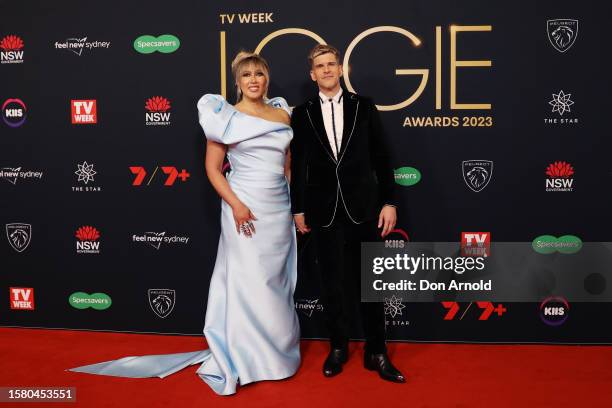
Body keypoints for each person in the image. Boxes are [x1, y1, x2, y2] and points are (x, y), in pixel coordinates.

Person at [68, 51, 301, 395]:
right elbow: (212, 168)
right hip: (242, 206)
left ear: (267, 79)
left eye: (260, 74)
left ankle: (278, 356)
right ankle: (249, 357)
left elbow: (286, 163)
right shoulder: (225, 117)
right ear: (237, 81)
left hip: (277, 209)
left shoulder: (282, 113)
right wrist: (236, 203)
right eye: (247, 74)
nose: (254, 80)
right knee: (249, 281)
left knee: (277, 282)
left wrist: (289, 198)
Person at [290, 44, 405, 383]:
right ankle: (338, 348)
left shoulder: (364, 107)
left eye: (331, 64)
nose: (326, 70)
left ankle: (377, 351)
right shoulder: (303, 113)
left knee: (370, 284)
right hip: (322, 211)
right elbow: (299, 166)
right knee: (332, 285)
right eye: (319, 66)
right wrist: (298, 208)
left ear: (340, 69)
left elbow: (382, 157)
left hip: (364, 208)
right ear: (312, 74)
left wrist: (389, 201)